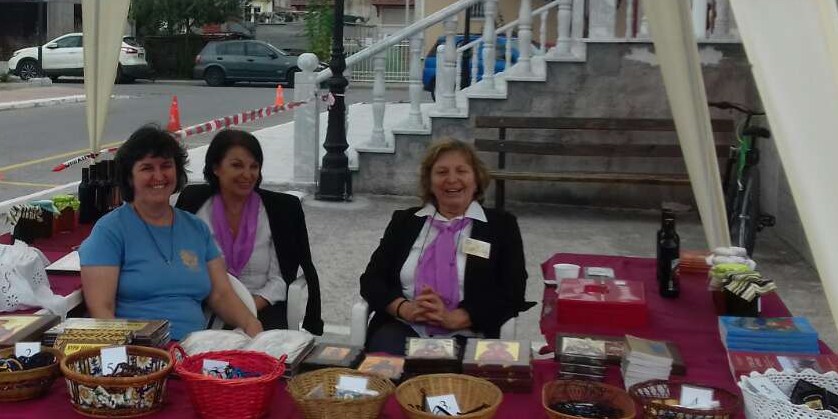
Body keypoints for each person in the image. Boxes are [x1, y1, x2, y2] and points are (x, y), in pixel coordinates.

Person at [80, 124, 262, 341]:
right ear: (129, 177)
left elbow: (221, 294)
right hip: (139, 349)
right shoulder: (109, 231)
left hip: (195, 348)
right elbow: (101, 310)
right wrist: (124, 355)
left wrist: (252, 325)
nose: (159, 176)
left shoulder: (196, 228)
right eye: (147, 168)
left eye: (166, 166)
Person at [359, 138, 529, 355]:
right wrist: (405, 308)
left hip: (468, 333)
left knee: (451, 376)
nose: (452, 179)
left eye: (461, 171)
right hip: (403, 327)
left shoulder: (501, 226)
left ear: (476, 179)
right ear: (429, 182)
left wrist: (456, 318)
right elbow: (371, 280)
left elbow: (513, 292)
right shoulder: (405, 222)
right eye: (441, 172)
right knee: (384, 371)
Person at [176, 130, 324, 333]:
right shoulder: (194, 207)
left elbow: (280, 280)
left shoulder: (279, 211)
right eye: (237, 165)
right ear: (216, 168)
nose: (247, 175)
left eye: (254, 166)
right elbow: (183, 265)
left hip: (262, 307)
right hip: (205, 306)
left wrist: (244, 311)